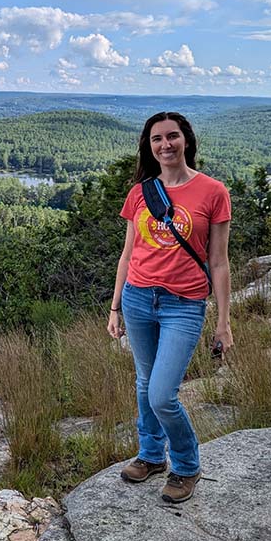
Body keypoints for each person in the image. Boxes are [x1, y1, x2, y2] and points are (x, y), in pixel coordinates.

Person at [107, 111, 232, 503]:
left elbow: (219, 261)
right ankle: (150, 454)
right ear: (149, 146)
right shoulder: (140, 193)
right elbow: (128, 254)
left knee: (163, 393)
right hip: (138, 298)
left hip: (184, 303)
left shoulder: (213, 192)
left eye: (172, 136)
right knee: (144, 382)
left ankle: (186, 464)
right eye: (157, 139)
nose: (165, 145)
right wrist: (115, 308)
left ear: (186, 140)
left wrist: (224, 322)